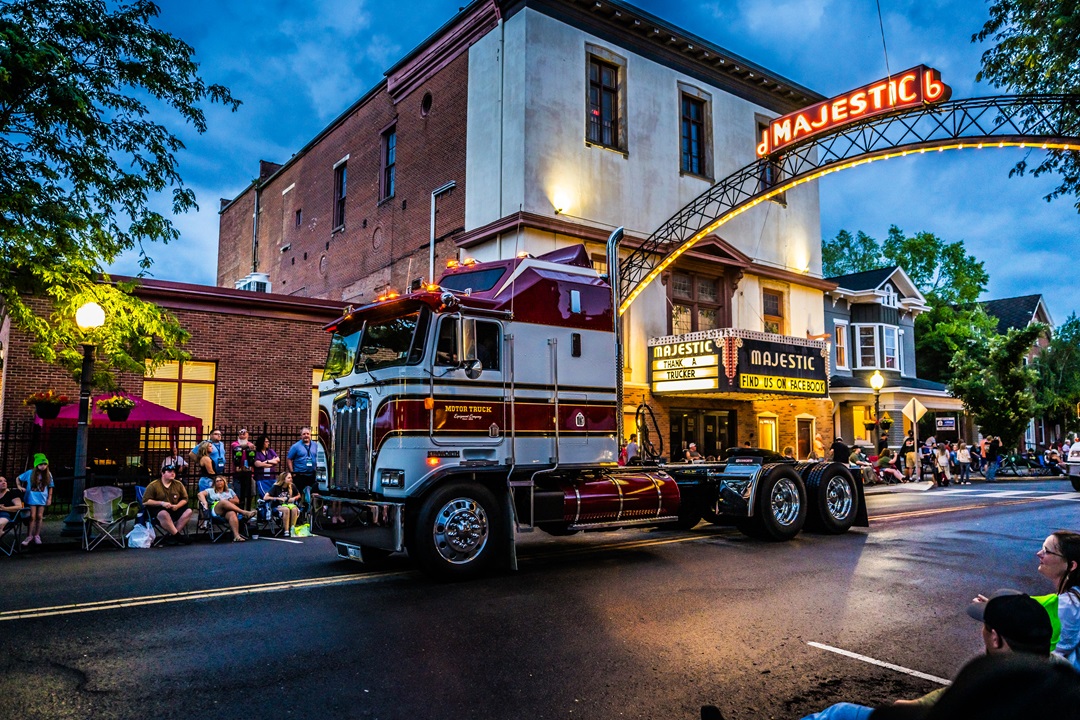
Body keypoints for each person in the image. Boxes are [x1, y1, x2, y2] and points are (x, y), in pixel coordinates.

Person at [800, 590, 1054, 720]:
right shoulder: (1058, 676)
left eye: (986, 627)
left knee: (839, 713)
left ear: (996, 639)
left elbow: (911, 710)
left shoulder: (987, 685)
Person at [1036, 531, 1080, 668]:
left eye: (1047, 551)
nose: (1039, 554)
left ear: (1071, 565)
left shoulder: (1068, 605)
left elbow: (1055, 654)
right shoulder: (1074, 594)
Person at [141, 460, 192, 544]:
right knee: (163, 513)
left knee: (189, 511)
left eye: (174, 472)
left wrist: (177, 506)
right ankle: (179, 537)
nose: (172, 473)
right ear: (163, 473)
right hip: (159, 509)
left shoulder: (178, 484)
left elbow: (185, 499)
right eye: (169, 471)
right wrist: (162, 503)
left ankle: (174, 536)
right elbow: (145, 501)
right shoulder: (153, 485)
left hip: (174, 508)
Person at [198, 474, 256, 542]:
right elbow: (200, 494)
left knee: (232, 513)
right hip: (216, 510)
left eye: (221, 480)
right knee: (223, 502)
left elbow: (237, 501)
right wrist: (205, 502)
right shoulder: (210, 490)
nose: (219, 482)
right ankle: (244, 512)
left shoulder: (230, 491)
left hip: (228, 511)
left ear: (224, 482)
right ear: (214, 483)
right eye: (217, 481)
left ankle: (236, 536)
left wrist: (228, 500)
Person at [18, 453, 53, 546]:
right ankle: (29, 535)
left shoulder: (48, 474)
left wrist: (49, 498)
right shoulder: (30, 473)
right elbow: (18, 478)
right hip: (32, 498)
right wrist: (19, 487)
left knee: (39, 516)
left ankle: (37, 535)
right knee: (32, 516)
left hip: (42, 498)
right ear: (36, 465)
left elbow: (51, 486)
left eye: (45, 464)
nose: (43, 466)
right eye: (41, 464)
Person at [264, 471, 302, 537]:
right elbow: (265, 497)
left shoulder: (292, 486)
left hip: (289, 504)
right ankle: (286, 530)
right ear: (283, 479)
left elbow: (299, 495)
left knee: (294, 509)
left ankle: (292, 529)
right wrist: (278, 498)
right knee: (286, 509)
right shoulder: (276, 486)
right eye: (289, 478)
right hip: (277, 506)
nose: (291, 479)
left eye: (291, 477)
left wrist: (294, 498)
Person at [287, 427, 318, 503]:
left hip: (312, 474)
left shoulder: (316, 445)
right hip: (299, 475)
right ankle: (299, 511)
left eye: (308, 434)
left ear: (310, 435)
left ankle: (310, 510)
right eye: (304, 434)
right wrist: (292, 472)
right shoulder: (296, 446)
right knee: (299, 495)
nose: (306, 435)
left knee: (312, 495)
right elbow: (289, 459)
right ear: (301, 436)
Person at [231, 428, 256, 510]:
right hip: (238, 472)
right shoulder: (234, 444)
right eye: (240, 433)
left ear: (248, 434)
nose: (242, 434)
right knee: (238, 493)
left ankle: (248, 509)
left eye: (244, 433)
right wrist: (248, 446)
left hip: (249, 472)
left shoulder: (250, 444)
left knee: (251, 492)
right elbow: (238, 448)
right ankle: (239, 510)